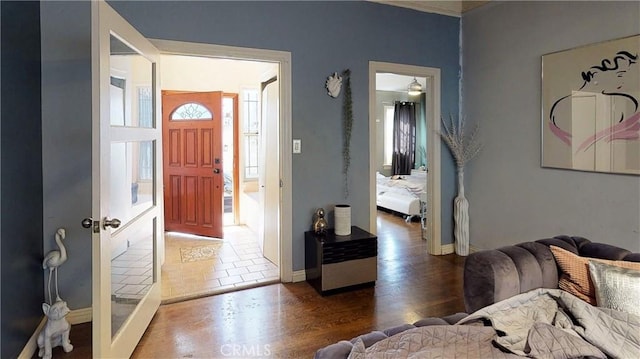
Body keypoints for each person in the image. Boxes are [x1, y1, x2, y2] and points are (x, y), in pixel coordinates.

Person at [548, 50, 639, 153]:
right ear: (595, 75)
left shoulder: (624, 104)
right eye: (619, 75)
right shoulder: (562, 109)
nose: (622, 82)